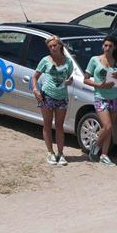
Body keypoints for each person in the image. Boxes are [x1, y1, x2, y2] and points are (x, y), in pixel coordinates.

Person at [31, 36, 74, 166]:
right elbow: (35, 76)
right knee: (47, 125)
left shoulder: (68, 62)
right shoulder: (45, 60)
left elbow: (69, 78)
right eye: (50, 47)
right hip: (47, 95)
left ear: (60, 46)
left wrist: (68, 82)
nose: (53, 48)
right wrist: (35, 89)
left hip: (62, 97)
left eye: (55, 45)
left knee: (60, 126)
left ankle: (61, 153)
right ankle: (50, 152)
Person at [83, 35, 117, 166]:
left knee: (109, 129)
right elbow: (86, 79)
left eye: (110, 46)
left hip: (114, 97)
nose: (107, 48)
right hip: (100, 97)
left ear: (114, 47)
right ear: (102, 46)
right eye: (105, 45)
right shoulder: (94, 60)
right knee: (107, 126)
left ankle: (104, 155)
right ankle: (96, 145)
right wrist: (99, 85)